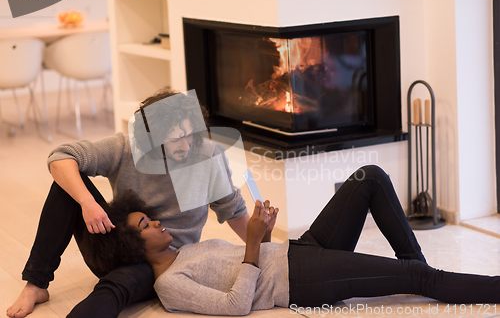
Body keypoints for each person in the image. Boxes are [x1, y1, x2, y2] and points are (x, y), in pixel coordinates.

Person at [90, 165, 500, 316]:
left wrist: (263, 230)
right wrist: (253, 245)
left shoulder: (186, 251)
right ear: (133, 246)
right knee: (417, 279)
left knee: (369, 177)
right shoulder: (169, 287)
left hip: (298, 250)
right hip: (302, 281)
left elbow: (254, 258)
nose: (158, 222)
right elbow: (236, 306)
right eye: (146, 225)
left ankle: (417, 269)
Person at [6, 89, 250, 318]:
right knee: (65, 187)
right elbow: (60, 157)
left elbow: (232, 210)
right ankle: (36, 284)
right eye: (175, 140)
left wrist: (265, 249)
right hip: (116, 244)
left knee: (115, 288)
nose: (185, 145)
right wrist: (87, 202)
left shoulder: (208, 155)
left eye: (189, 135)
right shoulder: (125, 147)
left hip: (163, 260)